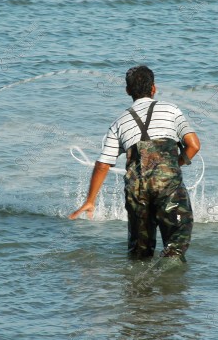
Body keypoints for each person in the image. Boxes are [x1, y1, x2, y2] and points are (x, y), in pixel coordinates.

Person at [69, 65, 201, 262]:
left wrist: (90, 201)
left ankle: (137, 288)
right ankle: (169, 284)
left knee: (140, 254)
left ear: (128, 90)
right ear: (154, 88)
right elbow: (194, 145)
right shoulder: (170, 110)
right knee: (175, 246)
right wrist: (173, 165)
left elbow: (103, 164)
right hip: (168, 187)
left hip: (137, 190)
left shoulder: (119, 123)